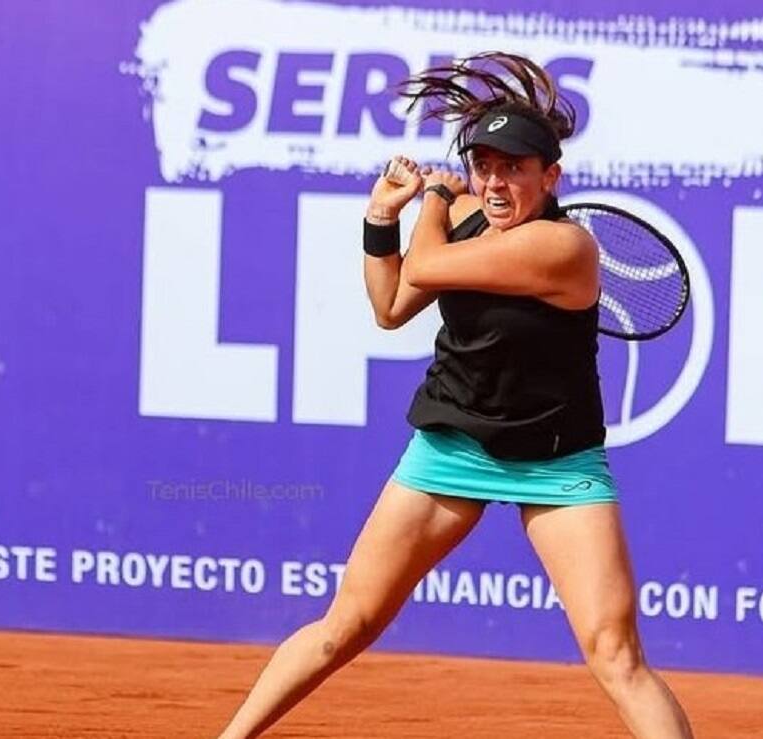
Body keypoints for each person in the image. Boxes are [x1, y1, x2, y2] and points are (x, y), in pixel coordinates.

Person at [217, 52, 694, 739]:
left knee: (617, 654)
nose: (496, 182)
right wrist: (381, 218)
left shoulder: (565, 248)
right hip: (450, 445)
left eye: (514, 169)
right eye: (484, 166)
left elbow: (431, 264)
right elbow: (390, 304)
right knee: (344, 624)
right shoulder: (467, 215)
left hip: (557, 464)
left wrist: (435, 201)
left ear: (549, 177)